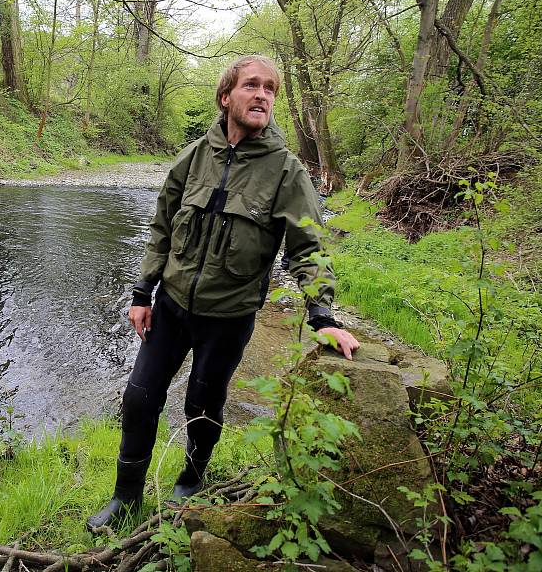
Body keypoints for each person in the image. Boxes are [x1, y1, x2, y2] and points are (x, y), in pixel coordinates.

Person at [87, 55, 360, 531]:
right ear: (225, 97)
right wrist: (141, 293)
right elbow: (161, 228)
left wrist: (323, 316)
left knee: (202, 403)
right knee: (139, 398)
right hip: (171, 306)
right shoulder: (194, 157)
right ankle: (124, 498)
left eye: (270, 89)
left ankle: (190, 481)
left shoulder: (286, 171)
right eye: (251, 85)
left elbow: (308, 247)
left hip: (230, 317)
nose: (262, 95)